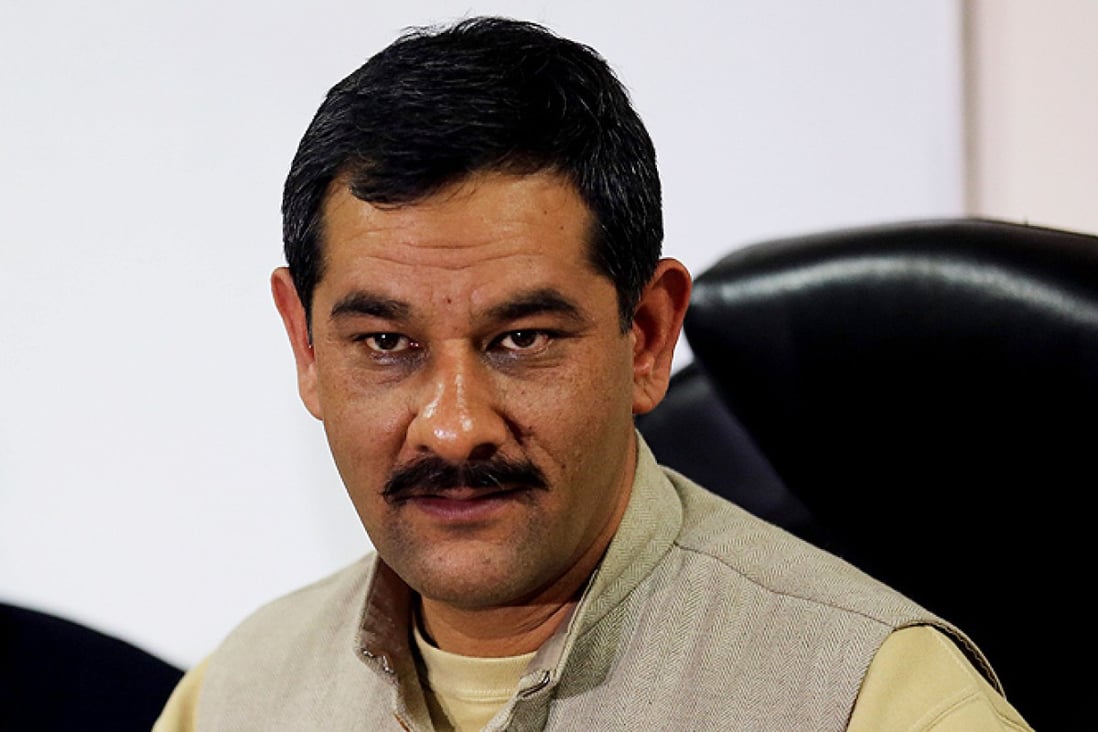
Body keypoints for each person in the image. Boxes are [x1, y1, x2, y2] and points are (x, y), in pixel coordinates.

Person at [154, 17, 1032, 731]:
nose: (455, 427)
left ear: (646, 336)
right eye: (386, 343)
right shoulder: (233, 700)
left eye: (524, 338)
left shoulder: (880, 703)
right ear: (307, 349)